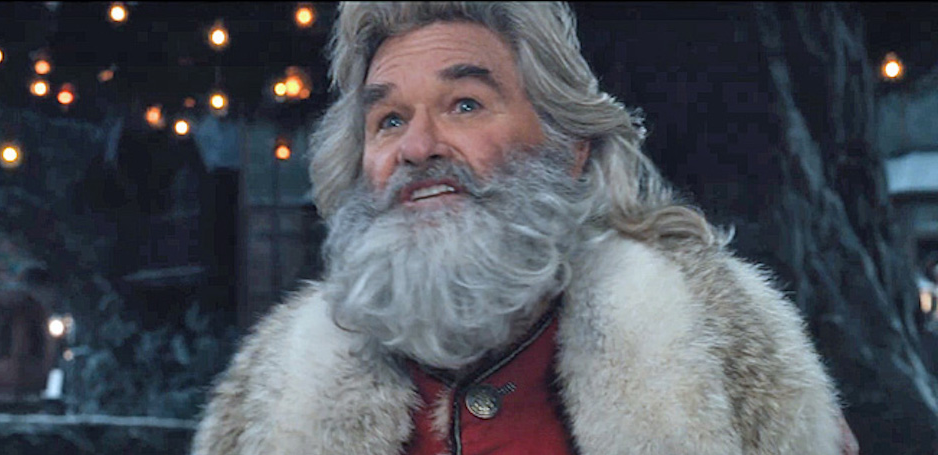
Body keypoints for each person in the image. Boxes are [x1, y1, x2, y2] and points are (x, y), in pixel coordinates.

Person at [192, 3, 858, 454]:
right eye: (389, 120)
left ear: (569, 151)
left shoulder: (724, 357)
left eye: (464, 104)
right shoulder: (271, 399)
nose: (418, 147)